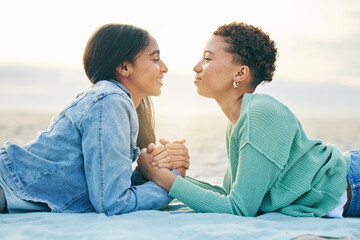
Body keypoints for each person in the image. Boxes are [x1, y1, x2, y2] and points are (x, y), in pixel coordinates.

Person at [137, 22, 359, 218]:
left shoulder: (259, 113)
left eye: (207, 58)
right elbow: (228, 195)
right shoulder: (240, 118)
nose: (197, 66)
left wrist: (161, 177)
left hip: (352, 182)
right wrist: (165, 173)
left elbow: (239, 209)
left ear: (241, 74)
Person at [0, 24, 189, 215]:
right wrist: (171, 184)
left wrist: (156, 169)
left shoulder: (113, 101)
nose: (164, 68)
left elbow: (107, 187)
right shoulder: (110, 102)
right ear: (124, 67)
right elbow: (113, 203)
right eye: (155, 59)